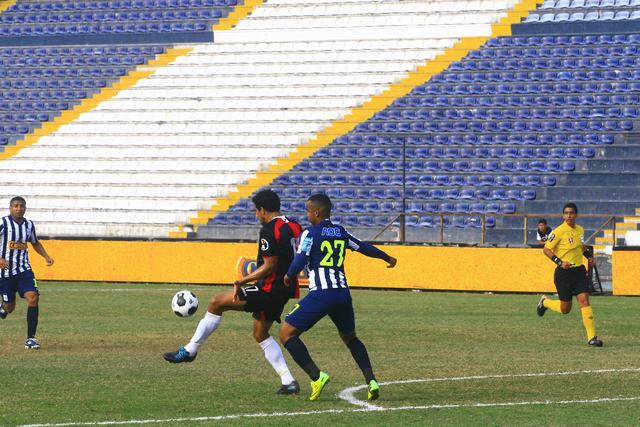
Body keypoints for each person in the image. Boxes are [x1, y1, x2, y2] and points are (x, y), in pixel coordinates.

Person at [163, 189, 303, 395]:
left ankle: (190, 350)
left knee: (216, 302)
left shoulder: (269, 230)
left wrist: (242, 280)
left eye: (256, 211)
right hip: (284, 290)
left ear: (263, 210)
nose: (256, 215)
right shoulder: (294, 225)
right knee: (260, 333)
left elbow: (269, 265)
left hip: (268, 289)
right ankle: (288, 381)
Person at [279, 194, 397, 401]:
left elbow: (299, 260)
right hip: (342, 294)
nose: (307, 215)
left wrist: (288, 276)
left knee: (286, 334)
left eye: (308, 211)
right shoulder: (340, 232)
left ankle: (316, 377)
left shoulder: (310, 233)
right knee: (350, 338)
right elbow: (363, 247)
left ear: (316, 212)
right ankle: (371, 381)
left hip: (321, 294)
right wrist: (386, 257)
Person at [536, 203, 603, 347]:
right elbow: (546, 250)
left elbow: (580, 247)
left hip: (579, 272)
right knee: (565, 309)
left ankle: (592, 338)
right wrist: (560, 262)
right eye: (566, 213)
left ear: (576, 215)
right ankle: (545, 302)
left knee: (584, 301)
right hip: (564, 274)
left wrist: (589, 257)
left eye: (571, 213)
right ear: (563, 215)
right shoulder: (558, 231)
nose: (569, 215)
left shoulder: (580, 230)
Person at [0, 196, 54, 349]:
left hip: (24, 270)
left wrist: (46, 256)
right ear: (10, 208)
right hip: (5, 273)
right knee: (9, 307)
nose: (19, 209)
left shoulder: (29, 225)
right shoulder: (3, 223)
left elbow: (35, 242)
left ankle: (31, 339)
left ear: (25, 208)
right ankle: (3, 307)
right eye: (16, 206)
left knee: (33, 297)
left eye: (21, 206)